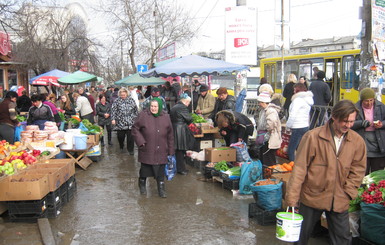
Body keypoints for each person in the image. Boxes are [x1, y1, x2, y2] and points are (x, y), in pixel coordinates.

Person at [286, 100, 366, 245]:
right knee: (300, 236)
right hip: (312, 195)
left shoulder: (357, 141)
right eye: (345, 121)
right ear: (334, 117)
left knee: (342, 239)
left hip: (340, 197)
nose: (348, 125)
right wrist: (292, 198)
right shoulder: (312, 137)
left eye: (352, 122)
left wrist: (349, 191)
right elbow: (299, 169)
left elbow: (358, 169)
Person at [132, 98, 174, 198]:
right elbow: (135, 129)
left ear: (160, 107)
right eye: (151, 106)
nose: (153, 108)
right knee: (145, 170)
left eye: (155, 106)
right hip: (147, 148)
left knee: (160, 171)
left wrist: (171, 150)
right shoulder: (143, 115)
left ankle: (161, 189)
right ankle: (142, 184)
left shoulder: (166, 117)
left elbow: (170, 135)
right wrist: (141, 142)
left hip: (162, 149)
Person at [352, 88, 385, 174]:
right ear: (362, 100)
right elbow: (350, 124)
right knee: (362, 173)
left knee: (377, 173)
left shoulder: (381, 107)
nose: (369, 103)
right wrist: (362, 123)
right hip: (362, 142)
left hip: (379, 143)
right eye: (366, 101)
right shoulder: (355, 108)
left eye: (371, 100)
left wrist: (382, 124)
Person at [286, 83, 314, 161]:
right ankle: (302, 166)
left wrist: (288, 126)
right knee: (300, 149)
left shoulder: (297, 100)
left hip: (297, 126)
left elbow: (293, 115)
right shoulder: (308, 100)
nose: (294, 91)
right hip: (305, 126)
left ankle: (293, 167)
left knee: (291, 150)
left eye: (295, 90)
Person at [170, 93, 195, 175]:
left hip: (174, 128)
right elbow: (189, 119)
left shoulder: (174, 106)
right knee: (180, 150)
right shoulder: (183, 107)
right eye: (188, 103)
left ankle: (178, 167)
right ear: (186, 101)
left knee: (177, 150)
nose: (188, 104)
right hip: (180, 130)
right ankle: (181, 169)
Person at [255, 92, 282, 166]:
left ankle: (269, 174)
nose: (259, 104)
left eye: (260, 102)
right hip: (265, 137)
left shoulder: (270, 110)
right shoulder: (264, 110)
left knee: (268, 158)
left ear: (263, 102)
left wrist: (266, 130)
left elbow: (271, 123)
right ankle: (265, 174)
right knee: (264, 157)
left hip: (270, 138)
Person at [111, 87, 139, 154]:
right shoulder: (117, 101)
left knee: (130, 137)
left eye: (124, 95)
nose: (123, 96)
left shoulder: (131, 100)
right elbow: (113, 111)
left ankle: (130, 150)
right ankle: (121, 146)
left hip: (130, 122)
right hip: (120, 122)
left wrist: (136, 118)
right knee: (120, 136)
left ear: (127, 94)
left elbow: (135, 110)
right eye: (121, 95)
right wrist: (113, 119)